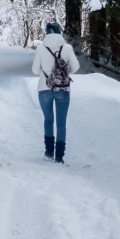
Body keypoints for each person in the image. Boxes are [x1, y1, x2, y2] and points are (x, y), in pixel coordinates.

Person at [32, 21, 80, 163]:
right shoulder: (67, 47)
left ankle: (48, 152)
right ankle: (59, 156)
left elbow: (35, 71)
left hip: (44, 88)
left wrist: (46, 72)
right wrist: (63, 73)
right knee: (61, 123)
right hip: (63, 89)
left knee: (48, 120)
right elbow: (76, 67)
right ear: (60, 32)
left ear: (47, 33)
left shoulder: (41, 48)